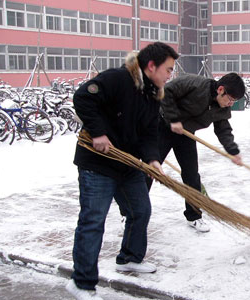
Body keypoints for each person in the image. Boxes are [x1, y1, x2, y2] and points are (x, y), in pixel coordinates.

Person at [66, 42, 178, 300]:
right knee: (93, 220)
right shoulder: (117, 79)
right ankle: (81, 283)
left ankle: (129, 257)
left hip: (128, 164)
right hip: (98, 163)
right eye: (168, 69)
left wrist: (152, 159)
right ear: (151, 66)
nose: (170, 75)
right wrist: (98, 132)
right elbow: (83, 98)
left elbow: (150, 132)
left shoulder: (153, 94)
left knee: (140, 210)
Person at [146, 72, 245, 233]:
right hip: (162, 126)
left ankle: (194, 216)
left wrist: (232, 150)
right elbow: (166, 92)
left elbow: (223, 129)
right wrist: (173, 119)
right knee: (150, 171)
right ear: (221, 89)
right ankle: (131, 213)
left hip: (186, 134)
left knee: (191, 175)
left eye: (235, 101)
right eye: (231, 99)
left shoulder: (221, 108)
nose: (231, 104)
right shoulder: (195, 84)